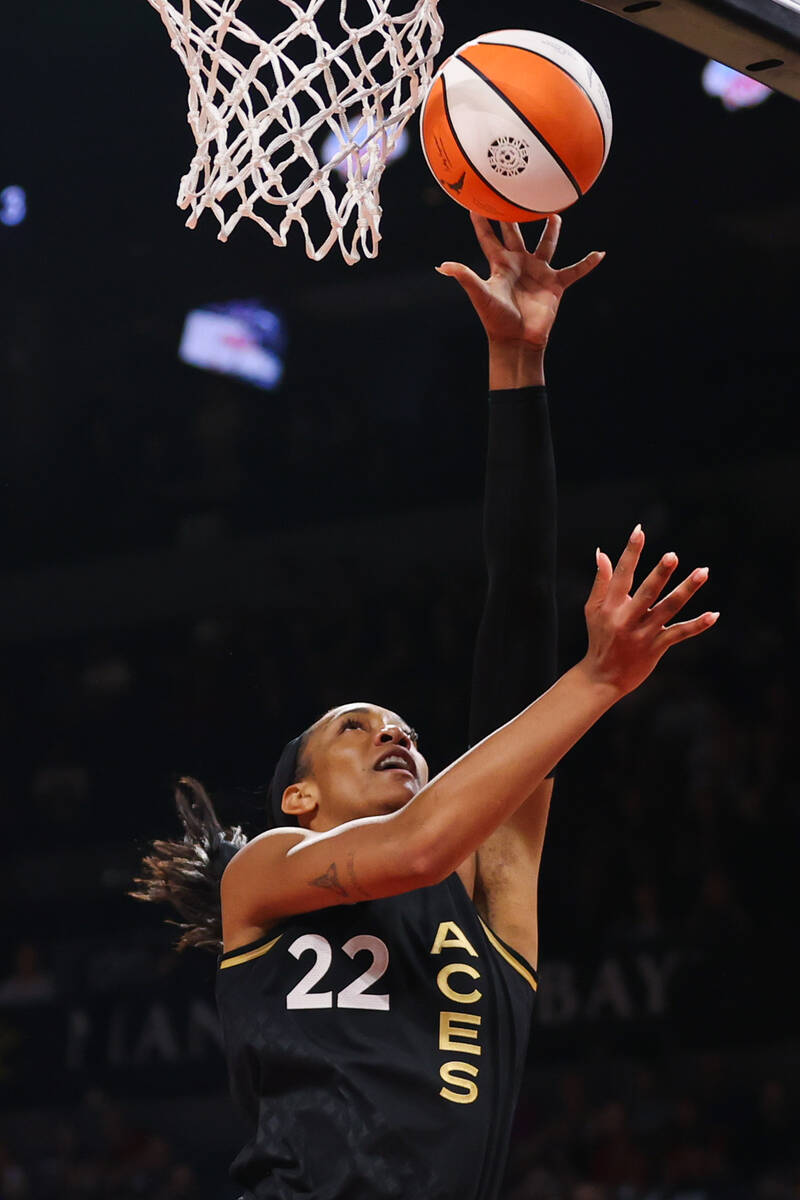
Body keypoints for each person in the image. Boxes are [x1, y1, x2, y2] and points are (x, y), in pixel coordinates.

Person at [131, 214, 718, 1200]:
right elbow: (414, 849)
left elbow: (517, 605)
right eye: (350, 730)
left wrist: (515, 362)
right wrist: (600, 679)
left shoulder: (487, 895)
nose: (391, 731)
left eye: (398, 724)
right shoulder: (265, 880)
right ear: (300, 802)